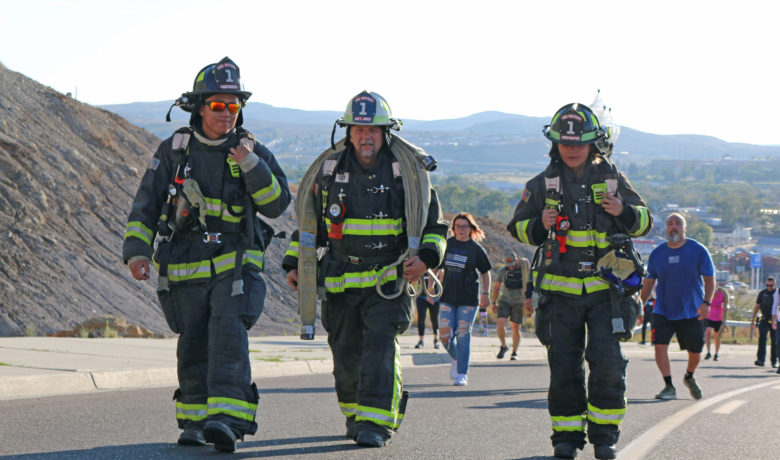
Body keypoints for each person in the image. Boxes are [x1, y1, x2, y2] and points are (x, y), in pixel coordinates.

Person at [123, 57, 291, 452]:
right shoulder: (175, 150)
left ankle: (227, 422)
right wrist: (136, 253)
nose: (227, 113)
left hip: (235, 268)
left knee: (228, 337)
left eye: (234, 105)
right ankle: (195, 421)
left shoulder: (251, 151)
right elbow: (146, 205)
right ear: (200, 107)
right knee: (193, 342)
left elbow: (276, 204)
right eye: (218, 105)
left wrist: (249, 164)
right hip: (185, 269)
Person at [282, 91, 448, 447]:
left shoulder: (408, 172)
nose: (366, 136)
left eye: (373, 129)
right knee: (345, 355)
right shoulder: (329, 171)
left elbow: (434, 224)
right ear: (348, 132)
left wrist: (426, 259)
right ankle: (356, 415)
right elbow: (310, 226)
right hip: (340, 281)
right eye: (359, 129)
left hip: (390, 281)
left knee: (379, 349)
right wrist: (295, 263)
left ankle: (376, 422)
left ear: (386, 132)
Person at [507, 103, 652, 460]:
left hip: (607, 293)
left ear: (593, 144)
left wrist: (624, 211)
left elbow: (645, 222)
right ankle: (566, 438)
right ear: (555, 144)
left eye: (579, 143)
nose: (572, 149)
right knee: (564, 367)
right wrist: (539, 223)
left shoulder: (613, 180)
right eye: (565, 143)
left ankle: (605, 438)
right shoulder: (541, 185)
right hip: (560, 295)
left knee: (607, 363)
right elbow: (518, 228)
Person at [640, 212, 714, 404]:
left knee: (695, 352)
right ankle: (668, 386)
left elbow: (709, 279)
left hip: (692, 310)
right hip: (663, 309)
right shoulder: (657, 253)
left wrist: (706, 303)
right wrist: (640, 305)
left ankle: (689, 376)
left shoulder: (698, 250)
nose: (673, 226)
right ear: (666, 228)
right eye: (670, 223)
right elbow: (649, 282)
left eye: (677, 223)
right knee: (659, 347)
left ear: (684, 228)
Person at [436, 212, 492, 386]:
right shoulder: (447, 244)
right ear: (453, 228)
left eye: (465, 226)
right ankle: (456, 358)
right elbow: (437, 268)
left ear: (471, 228)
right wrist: (431, 288)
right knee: (444, 335)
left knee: (463, 334)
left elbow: (485, 273)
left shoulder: (475, 249)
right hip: (447, 296)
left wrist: (486, 294)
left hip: (468, 299)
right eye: (458, 226)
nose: (461, 229)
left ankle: (462, 373)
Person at [490, 252, 531, 360]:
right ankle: (504, 346)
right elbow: (497, 287)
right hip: (505, 301)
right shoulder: (503, 271)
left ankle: (514, 352)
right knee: (500, 322)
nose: (511, 267)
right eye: (509, 265)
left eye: (512, 264)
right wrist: (494, 302)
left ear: (516, 261)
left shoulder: (523, 270)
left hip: (519, 302)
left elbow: (530, 278)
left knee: (516, 327)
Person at [750, 276, 777, 368]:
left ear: (775, 284)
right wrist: (753, 319)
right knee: (762, 340)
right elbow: (757, 307)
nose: (769, 287)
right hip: (764, 319)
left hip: (775, 320)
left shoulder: (777, 293)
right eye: (767, 285)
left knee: (775, 341)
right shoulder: (762, 293)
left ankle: (774, 361)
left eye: (771, 285)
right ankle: (760, 360)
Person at [414, 275, 441, 349]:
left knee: (434, 318)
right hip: (421, 296)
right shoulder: (420, 268)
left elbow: (442, 277)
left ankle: (436, 339)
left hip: (434, 297)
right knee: (421, 318)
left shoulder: (436, 268)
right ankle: (421, 341)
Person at [704, 286, 729, 361]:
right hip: (709, 317)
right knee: (708, 333)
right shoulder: (709, 294)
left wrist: (726, 307)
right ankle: (708, 352)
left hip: (719, 318)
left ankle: (716, 353)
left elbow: (726, 303)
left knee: (717, 336)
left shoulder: (722, 294)